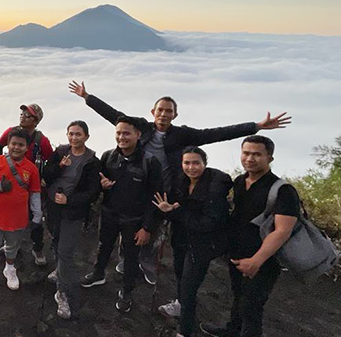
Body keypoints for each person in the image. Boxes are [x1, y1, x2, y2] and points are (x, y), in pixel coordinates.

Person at [69, 80, 291, 289]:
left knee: (151, 230)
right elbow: (114, 115)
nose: (164, 114)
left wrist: (256, 126)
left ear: (175, 115)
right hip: (135, 185)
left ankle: (144, 264)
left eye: (169, 111)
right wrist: (87, 97)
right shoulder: (141, 129)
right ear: (152, 112)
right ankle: (126, 260)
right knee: (129, 228)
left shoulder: (182, 135)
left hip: (163, 191)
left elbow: (216, 134)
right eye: (160, 110)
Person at [201, 136, 300, 337]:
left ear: (269, 158)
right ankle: (232, 330)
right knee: (238, 296)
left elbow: (282, 230)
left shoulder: (283, 190)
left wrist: (257, 260)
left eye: (257, 154)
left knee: (252, 306)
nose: (250, 158)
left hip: (264, 259)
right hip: (237, 253)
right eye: (246, 153)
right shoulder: (240, 182)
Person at [80, 116, 162, 313]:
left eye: (126, 133)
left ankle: (127, 291)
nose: (121, 137)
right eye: (118, 133)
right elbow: (98, 182)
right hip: (109, 213)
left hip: (135, 220)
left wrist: (147, 228)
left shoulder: (150, 162)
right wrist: (102, 186)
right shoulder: (108, 156)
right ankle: (98, 274)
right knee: (103, 246)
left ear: (138, 135)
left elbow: (155, 198)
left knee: (131, 258)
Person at [153, 147, 232, 337]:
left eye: (196, 163)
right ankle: (179, 306)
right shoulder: (181, 182)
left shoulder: (215, 188)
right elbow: (174, 212)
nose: (191, 167)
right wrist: (168, 210)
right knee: (180, 277)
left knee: (189, 290)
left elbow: (207, 223)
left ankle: (185, 332)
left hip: (202, 246)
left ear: (205, 163)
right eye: (186, 163)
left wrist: (175, 211)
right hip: (181, 240)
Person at [43, 120, 101, 319]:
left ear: (86, 136)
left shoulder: (92, 161)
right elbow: (47, 175)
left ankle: (63, 293)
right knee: (57, 241)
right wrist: (59, 166)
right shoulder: (60, 152)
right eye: (71, 134)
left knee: (66, 252)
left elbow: (92, 191)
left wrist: (69, 200)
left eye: (78, 134)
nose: (74, 137)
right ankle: (59, 271)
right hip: (53, 207)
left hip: (73, 211)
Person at [0, 128, 42, 290]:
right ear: (8, 144)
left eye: (21, 144)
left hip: (18, 217)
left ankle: (10, 268)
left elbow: (35, 193)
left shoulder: (31, 168)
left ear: (27, 147)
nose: (16, 147)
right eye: (13, 144)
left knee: (13, 246)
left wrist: (37, 215)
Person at [0, 103, 53, 265]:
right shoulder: (10, 132)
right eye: (22, 113)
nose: (23, 116)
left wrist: (44, 178)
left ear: (36, 121)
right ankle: (11, 245)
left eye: (28, 115)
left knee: (35, 216)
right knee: (10, 214)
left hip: (32, 185)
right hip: (10, 183)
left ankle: (37, 247)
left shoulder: (41, 140)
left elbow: (50, 159)